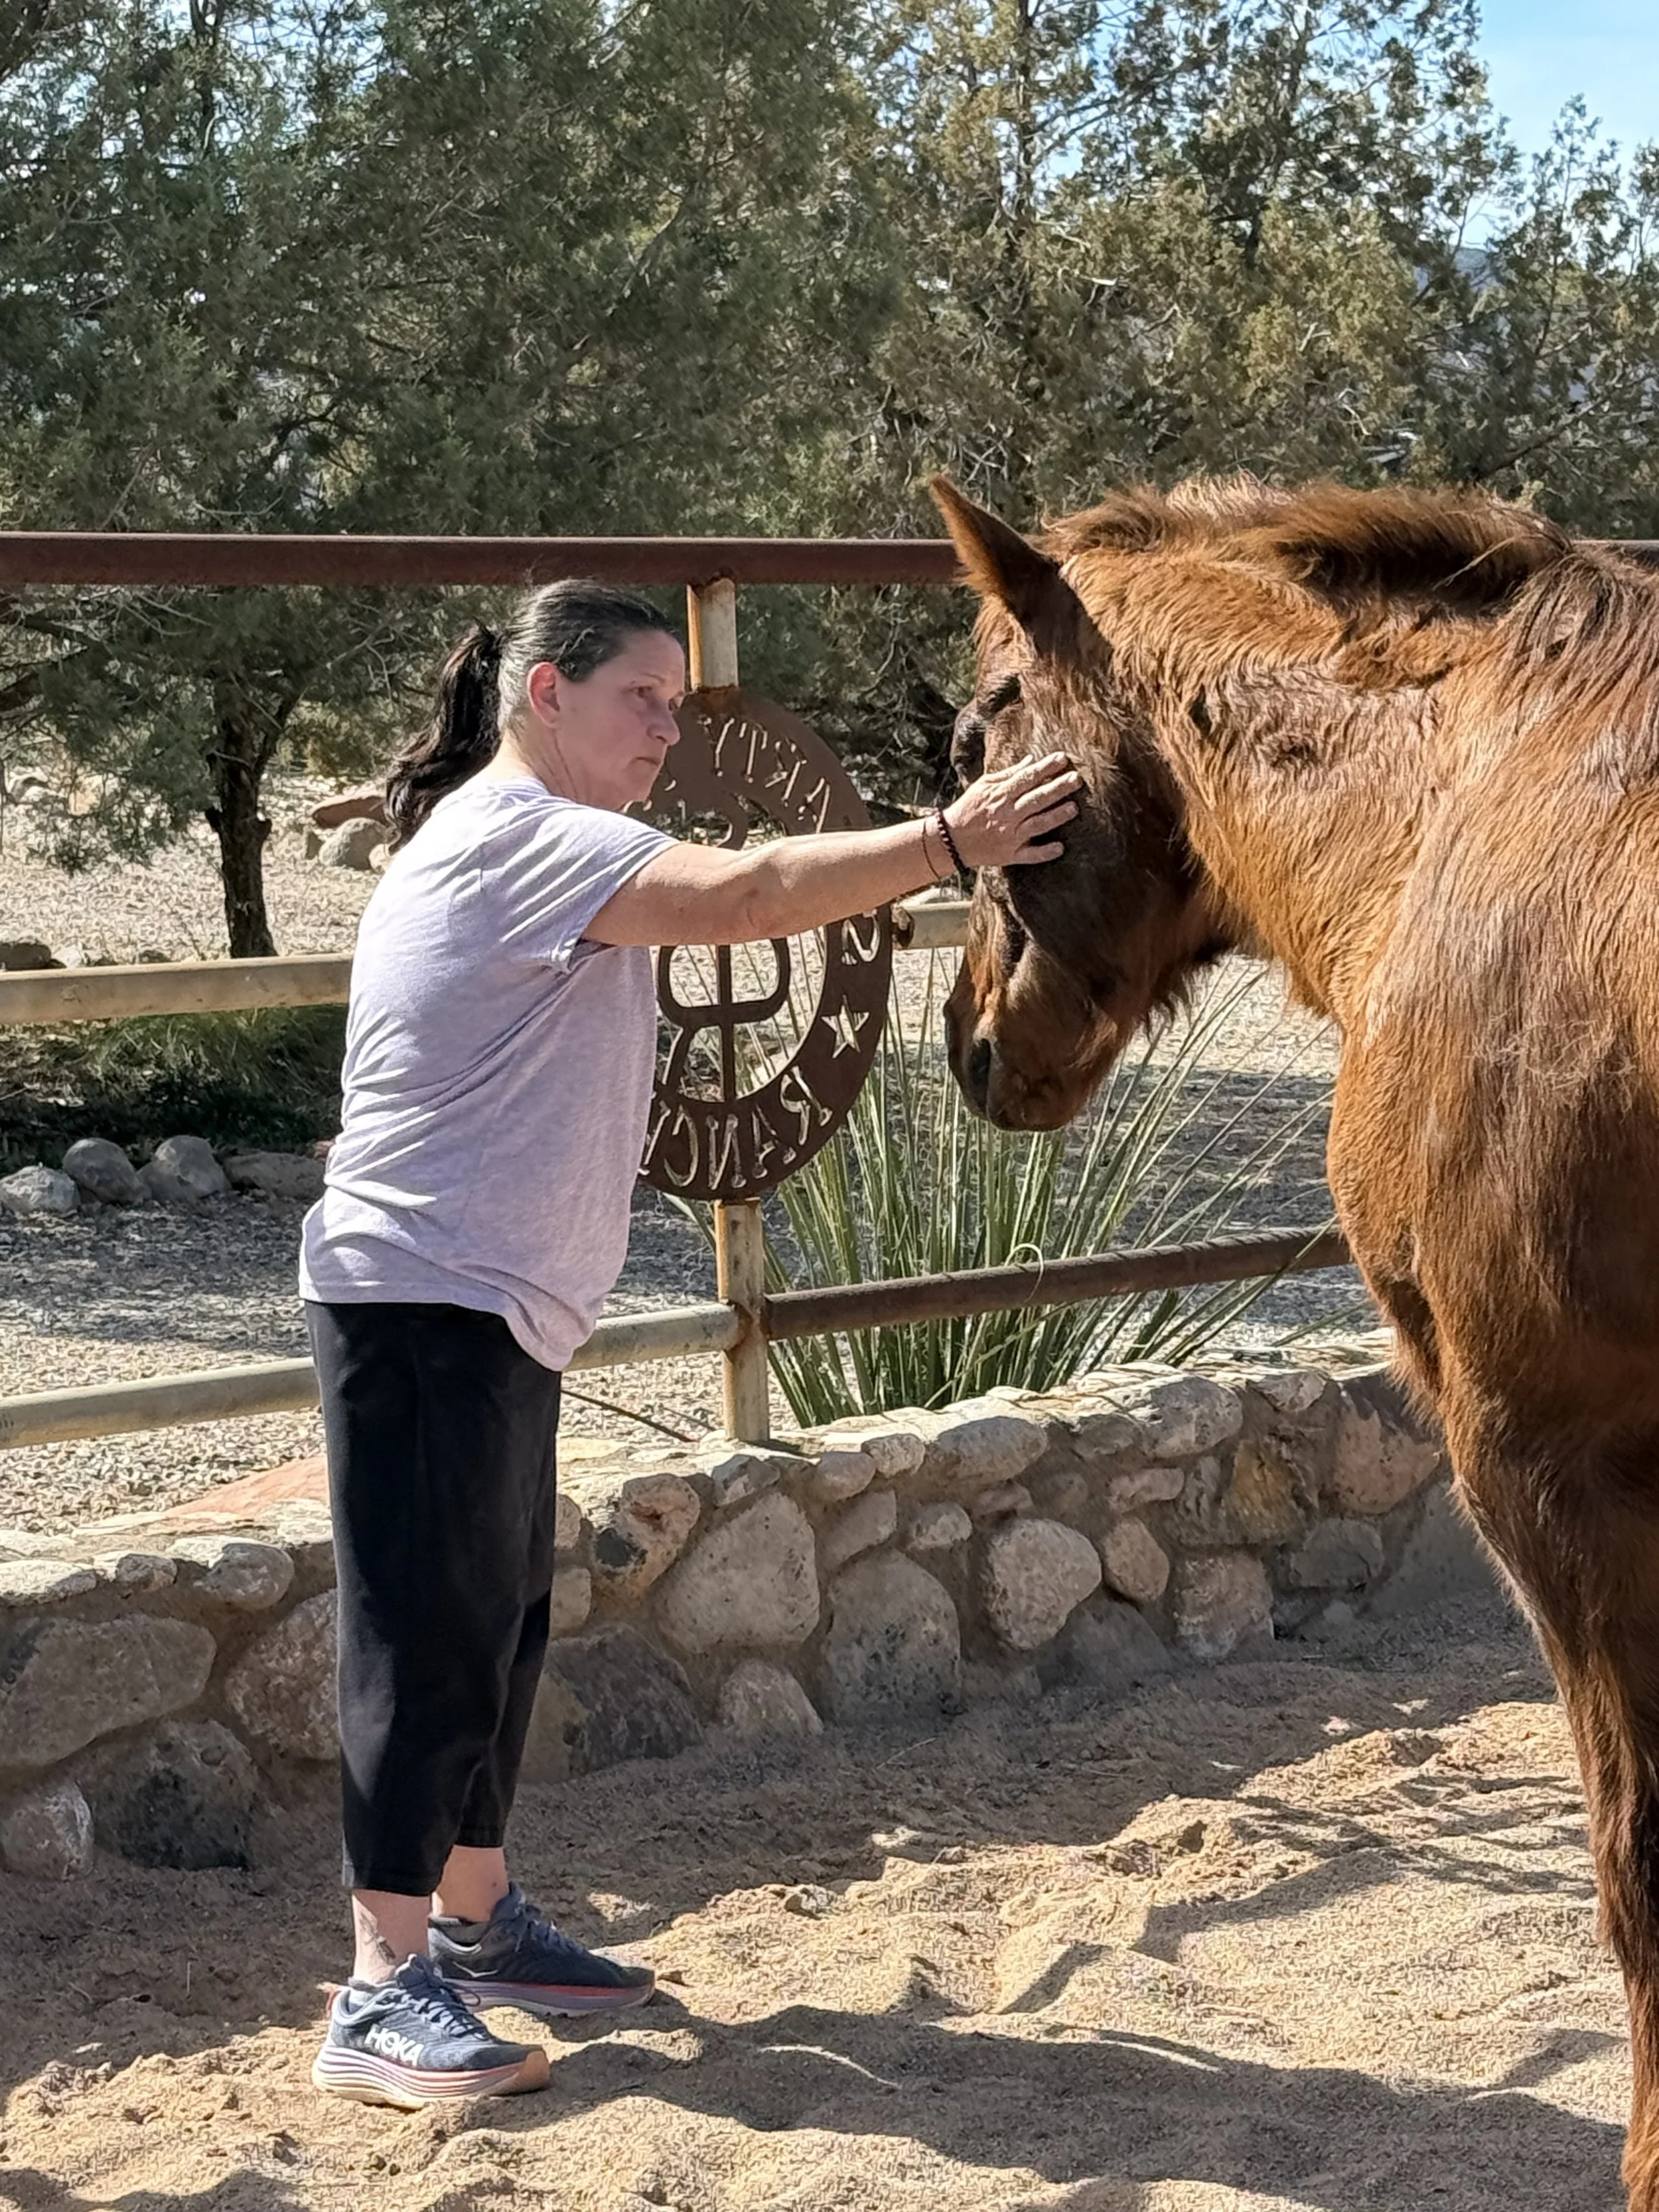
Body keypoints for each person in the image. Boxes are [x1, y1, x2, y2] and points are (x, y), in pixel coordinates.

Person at [299, 579, 1081, 2108]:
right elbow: (743, 893)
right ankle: (379, 1990)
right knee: (425, 1634)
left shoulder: (528, 836)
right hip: (419, 1302)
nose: (671, 724)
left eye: (675, 697)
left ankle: (474, 1927)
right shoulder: (525, 834)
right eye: (640, 698)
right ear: (544, 696)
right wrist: (949, 844)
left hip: (480, 1304)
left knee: (499, 1620)